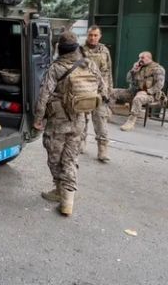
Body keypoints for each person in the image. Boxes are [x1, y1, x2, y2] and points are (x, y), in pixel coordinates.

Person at [34, 31, 106, 216]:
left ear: (59, 48)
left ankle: (59, 191)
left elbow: (43, 95)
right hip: (79, 119)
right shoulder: (89, 64)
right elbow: (102, 88)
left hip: (58, 121)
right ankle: (68, 201)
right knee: (71, 159)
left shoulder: (56, 67)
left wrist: (38, 119)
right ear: (76, 47)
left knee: (55, 157)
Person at [80, 25, 113, 162]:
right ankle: (81, 142)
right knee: (81, 119)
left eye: (95, 35)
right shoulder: (80, 50)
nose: (93, 38)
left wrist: (109, 91)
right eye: (90, 35)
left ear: (100, 36)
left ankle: (102, 149)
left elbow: (108, 72)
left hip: (100, 91)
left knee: (100, 119)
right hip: (84, 89)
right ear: (87, 35)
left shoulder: (104, 51)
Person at [112, 51, 165, 132]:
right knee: (112, 92)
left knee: (138, 98)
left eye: (142, 58)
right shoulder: (138, 67)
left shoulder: (157, 69)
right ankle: (106, 113)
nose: (140, 59)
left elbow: (159, 85)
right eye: (139, 58)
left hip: (150, 95)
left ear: (149, 58)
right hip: (133, 92)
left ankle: (131, 122)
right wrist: (133, 71)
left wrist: (148, 91)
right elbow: (128, 79)